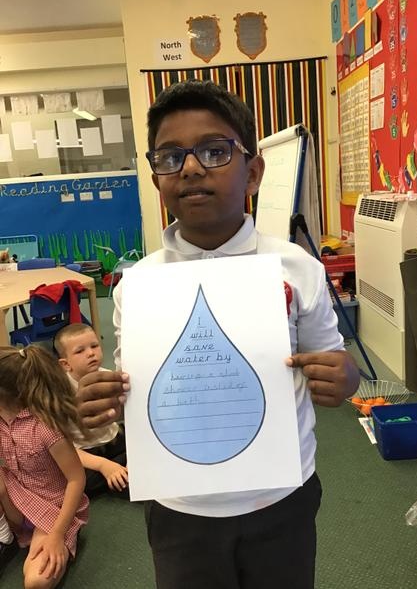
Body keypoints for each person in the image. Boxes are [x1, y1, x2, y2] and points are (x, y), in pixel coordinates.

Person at [76, 79, 360, 589]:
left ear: (253, 173)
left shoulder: (296, 268)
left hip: (280, 496)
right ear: (156, 177)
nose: (190, 168)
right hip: (178, 506)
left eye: (214, 151)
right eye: (170, 157)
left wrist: (345, 378)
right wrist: (108, 397)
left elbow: (336, 365)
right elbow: (137, 385)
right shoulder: (137, 286)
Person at [0, 345, 89, 588]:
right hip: (16, 500)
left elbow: (76, 479)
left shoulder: (45, 428)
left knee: (36, 581)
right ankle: (5, 537)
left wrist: (57, 535)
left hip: (52, 509)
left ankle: (64, 534)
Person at [54, 323, 128, 496]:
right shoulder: (60, 392)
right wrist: (103, 465)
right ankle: (119, 473)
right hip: (83, 452)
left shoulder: (108, 377)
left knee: (143, 447)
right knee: (82, 481)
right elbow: (62, 447)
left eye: (94, 346)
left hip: (113, 438)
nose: (90, 353)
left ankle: (122, 471)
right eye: (80, 351)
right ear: (65, 364)